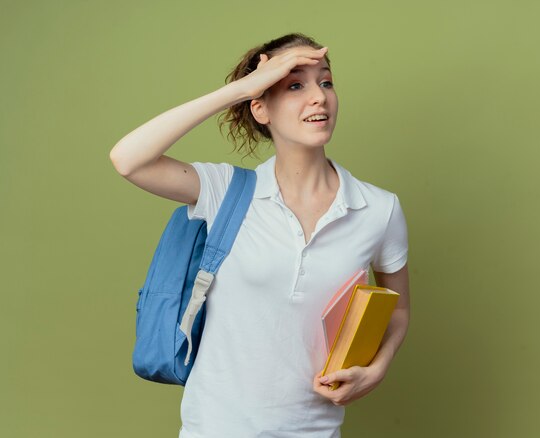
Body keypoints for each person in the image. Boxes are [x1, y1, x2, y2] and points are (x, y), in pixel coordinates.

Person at [110, 33, 410, 438]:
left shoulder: (378, 209)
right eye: (294, 85)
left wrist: (377, 369)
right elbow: (129, 159)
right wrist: (243, 87)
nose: (319, 97)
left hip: (316, 431)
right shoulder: (225, 192)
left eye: (326, 81)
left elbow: (399, 309)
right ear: (260, 108)